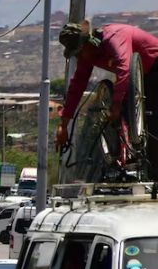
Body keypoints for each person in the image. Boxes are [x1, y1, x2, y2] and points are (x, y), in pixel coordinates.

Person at [56, 20, 158, 175]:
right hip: (138, 78)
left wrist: (116, 105)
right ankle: (128, 160)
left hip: (154, 65)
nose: (78, 57)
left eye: (78, 52)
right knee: (123, 116)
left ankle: (154, 171)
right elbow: (77, 86)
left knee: (151, 120)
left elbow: (124, 69)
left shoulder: (114, 38)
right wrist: (63, 125)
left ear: (88, 43)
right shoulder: (87, 56)